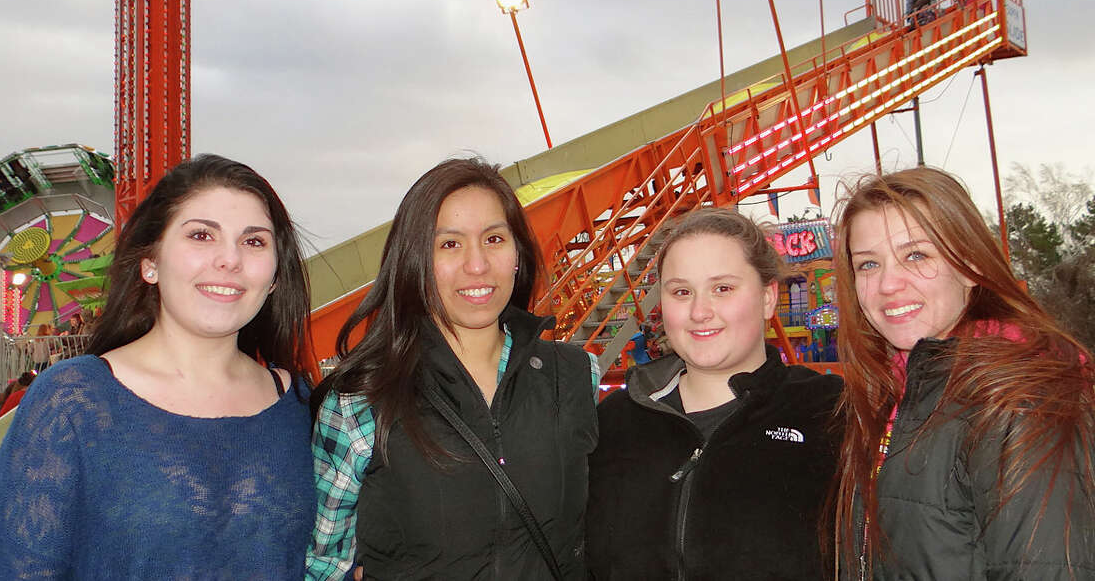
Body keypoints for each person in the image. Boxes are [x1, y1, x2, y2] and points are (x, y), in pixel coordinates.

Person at [0, 154, 316, 579]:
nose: (229, 260)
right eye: (201, 235)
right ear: (150, 262)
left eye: (254, 242)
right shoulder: (74, 403)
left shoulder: (301, 404)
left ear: (273, 277)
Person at [307, 158, 599, 580]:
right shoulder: (362, 401)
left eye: (495, 239)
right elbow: (323, 564)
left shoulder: (576, 375)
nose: (477, 265)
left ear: (517, 253)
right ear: (415, 261)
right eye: (449, 244)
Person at [831, 167, 1095, 580]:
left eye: (916, 255)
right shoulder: (896, 393)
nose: (887, 285)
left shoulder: (1018, 398)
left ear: (970, 266)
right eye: (867, 264)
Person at [587, 208, 843, 580]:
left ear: (768, 297)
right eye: (681, 292)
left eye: (722, 288)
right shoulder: (613, 423)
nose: (699, 311)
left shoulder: (828, 412)